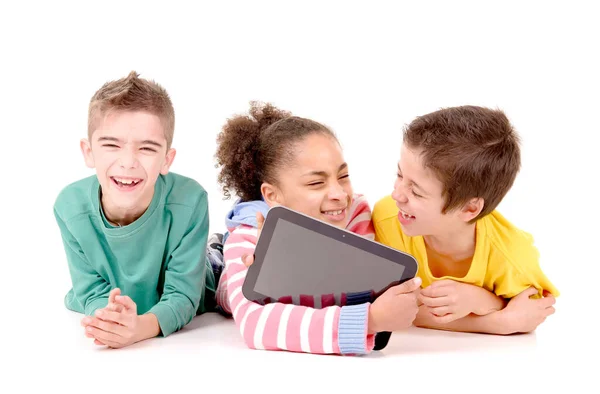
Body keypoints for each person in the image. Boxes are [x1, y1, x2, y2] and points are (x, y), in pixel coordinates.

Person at [214, 101, 421, 355]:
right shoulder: (247, 239)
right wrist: (370, 319)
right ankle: (216, 256)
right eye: (316, 183)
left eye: (343, 177)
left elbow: (358, 289)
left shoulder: (355, 213)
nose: (339, 194)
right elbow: (255, 324)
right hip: (221, 275)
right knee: (222, 292)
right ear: (273, 195)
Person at [53, 71, 218, 348]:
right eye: (111, 145)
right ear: (89, 152)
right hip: (119, 297)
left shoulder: (189, 201)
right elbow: (90, 290)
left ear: (167, 160)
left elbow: (183, 296)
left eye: (147, 148)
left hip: (200, 281)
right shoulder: (70, 207)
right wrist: (107, 319)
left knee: (223, 267)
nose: (128, 162)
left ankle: (221, 247)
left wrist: (141, 328)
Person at [372, 105, 558, 334]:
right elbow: (400, 311)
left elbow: (531, 313)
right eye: (400, 175)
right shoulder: (388, 219)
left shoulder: (513, 258)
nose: (397, 195)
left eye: (417, 192)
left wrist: (478, 300)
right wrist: (494, 317)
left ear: (470, 208)